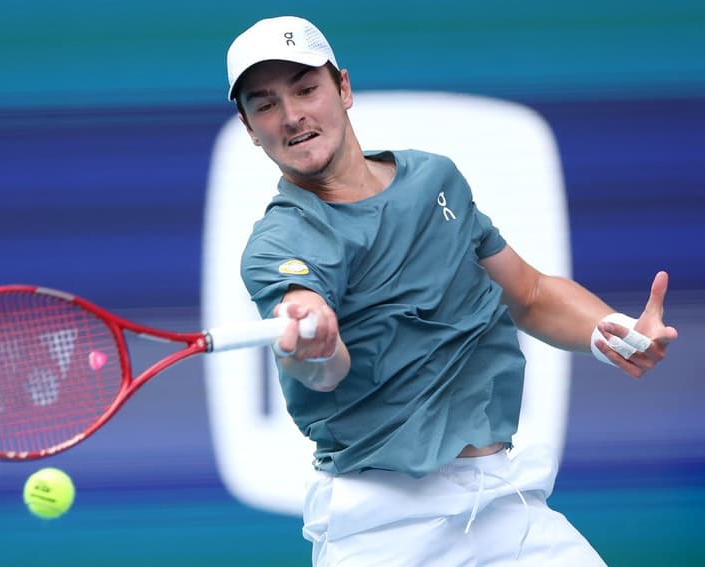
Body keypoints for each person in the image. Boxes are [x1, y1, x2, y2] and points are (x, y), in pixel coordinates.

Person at [225, 15, 678, 566]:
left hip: (503, 503)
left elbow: (530, 293)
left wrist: (616, 333)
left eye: (305, 89)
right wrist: (313, 347)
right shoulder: (278, 242)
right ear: (250, 127)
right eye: (265, 104)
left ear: (343, 88)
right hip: (380, 529)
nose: (292, 115)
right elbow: (318, 355)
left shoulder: (434, 180)